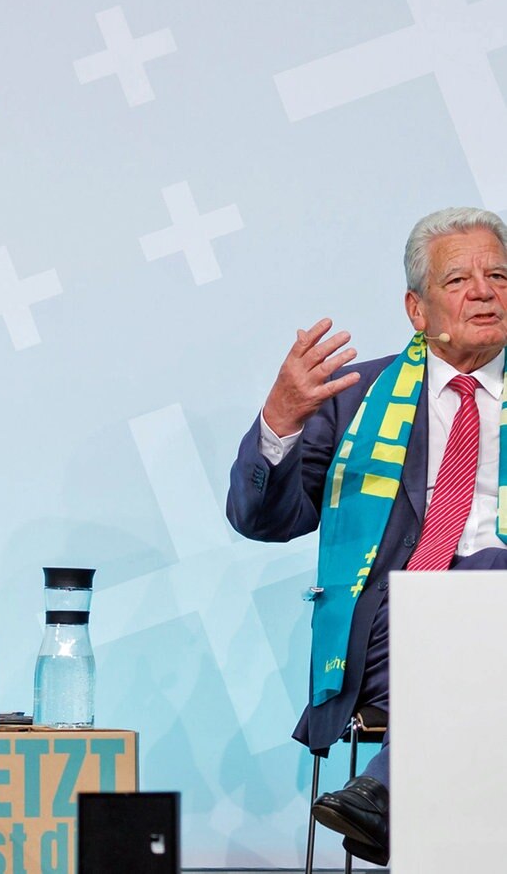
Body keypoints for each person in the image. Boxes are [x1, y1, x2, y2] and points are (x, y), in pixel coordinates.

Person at [226, 206, 507, 866]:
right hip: (394, 626)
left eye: (498, 275)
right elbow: (265, 521)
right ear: (417, 308)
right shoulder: (357, 399)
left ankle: (383, 793)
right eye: (460, 279)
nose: (485, 292)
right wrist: (279, 424)